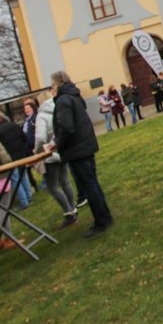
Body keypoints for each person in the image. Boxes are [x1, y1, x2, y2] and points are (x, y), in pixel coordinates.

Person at [51, 70, 113, 237]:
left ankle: (102, 220)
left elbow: (66, 127)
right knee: (92, 183)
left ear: (57, 84)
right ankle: (105, 216)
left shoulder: (64, 101)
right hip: (85, 146)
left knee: (89, 185)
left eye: (52, 84)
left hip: (76, 150)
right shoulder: (74, 96)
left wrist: (57, 144)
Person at [33, 97, 78, 228]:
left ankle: (68, 212)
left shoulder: (41, 116)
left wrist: (37, 151)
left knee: (52, 186)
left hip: (49, 155)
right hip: (60, 151)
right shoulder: (57, 111)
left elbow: (40, 137)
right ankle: (73, 207)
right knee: (65, 181)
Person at [0, 111, 33, 210]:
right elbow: (24, 138)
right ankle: (29, 196)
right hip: (21, 155)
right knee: (24, 176)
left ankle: (24, 202)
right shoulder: (14, 125)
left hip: (10, 158)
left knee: (15, 180)